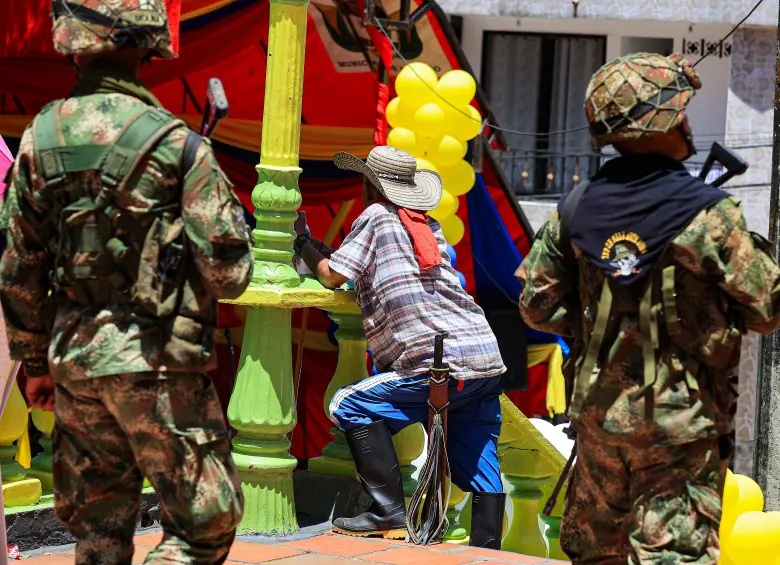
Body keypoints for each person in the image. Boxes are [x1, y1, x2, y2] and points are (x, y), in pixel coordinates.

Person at [0, 1, 253, 563]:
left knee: (97, 535)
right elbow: (229, 273)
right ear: (149, 46)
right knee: (203, 526)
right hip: (157, 363)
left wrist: (35, 364)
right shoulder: (177, 143)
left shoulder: (39, 138)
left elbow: (19, 266)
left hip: (74, 363)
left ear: (71, 45)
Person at [517, 52, 780, 564]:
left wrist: (600, 328)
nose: (686, 123)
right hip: (677, 426)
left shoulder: (576, 206)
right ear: (657, 122)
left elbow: (535, 306)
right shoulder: (707, 214)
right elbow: (766, 309)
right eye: (678, 112)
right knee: (671, 557)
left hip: (599, 421)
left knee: (598, 556)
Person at [293, 146, 507, 547]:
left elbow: (333, 276)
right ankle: (488, 547)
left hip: (437, 361)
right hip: (483, 356)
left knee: (347, 404)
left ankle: (387, 511)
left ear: (369, 186)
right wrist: (320, 248)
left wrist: (303, 241)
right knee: (478, 455)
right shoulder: (427, 225)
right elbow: (375, 267)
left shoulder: (375, 216)